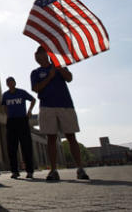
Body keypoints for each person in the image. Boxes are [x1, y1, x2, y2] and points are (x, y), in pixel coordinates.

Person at [31, 45, 89, 181]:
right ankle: (53, 170)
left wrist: (58, 68)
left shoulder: (59, 67)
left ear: (47, 54)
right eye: (36, 54)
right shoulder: (35, 72)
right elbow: (36, 88)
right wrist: (49, 77)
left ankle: (80, 168)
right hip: (47, 107)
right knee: (51, 138)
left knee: (71, 136)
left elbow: (69, 78)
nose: (37, 56)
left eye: (40, 53)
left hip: (65, 105)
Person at [1, 76, 36, 179]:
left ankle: (29, 171)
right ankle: (15, 171)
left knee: (26, 146)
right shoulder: (5, 95)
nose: (10, 83)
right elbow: (3, 106)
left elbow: (33, 99)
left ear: (15, 83)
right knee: (11, 147)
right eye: (8, 82)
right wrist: (7, 114)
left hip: (22, 120)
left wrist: (29, 110)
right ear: (7, 84)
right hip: (11, 121)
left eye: (12, 81)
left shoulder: (21, 92)